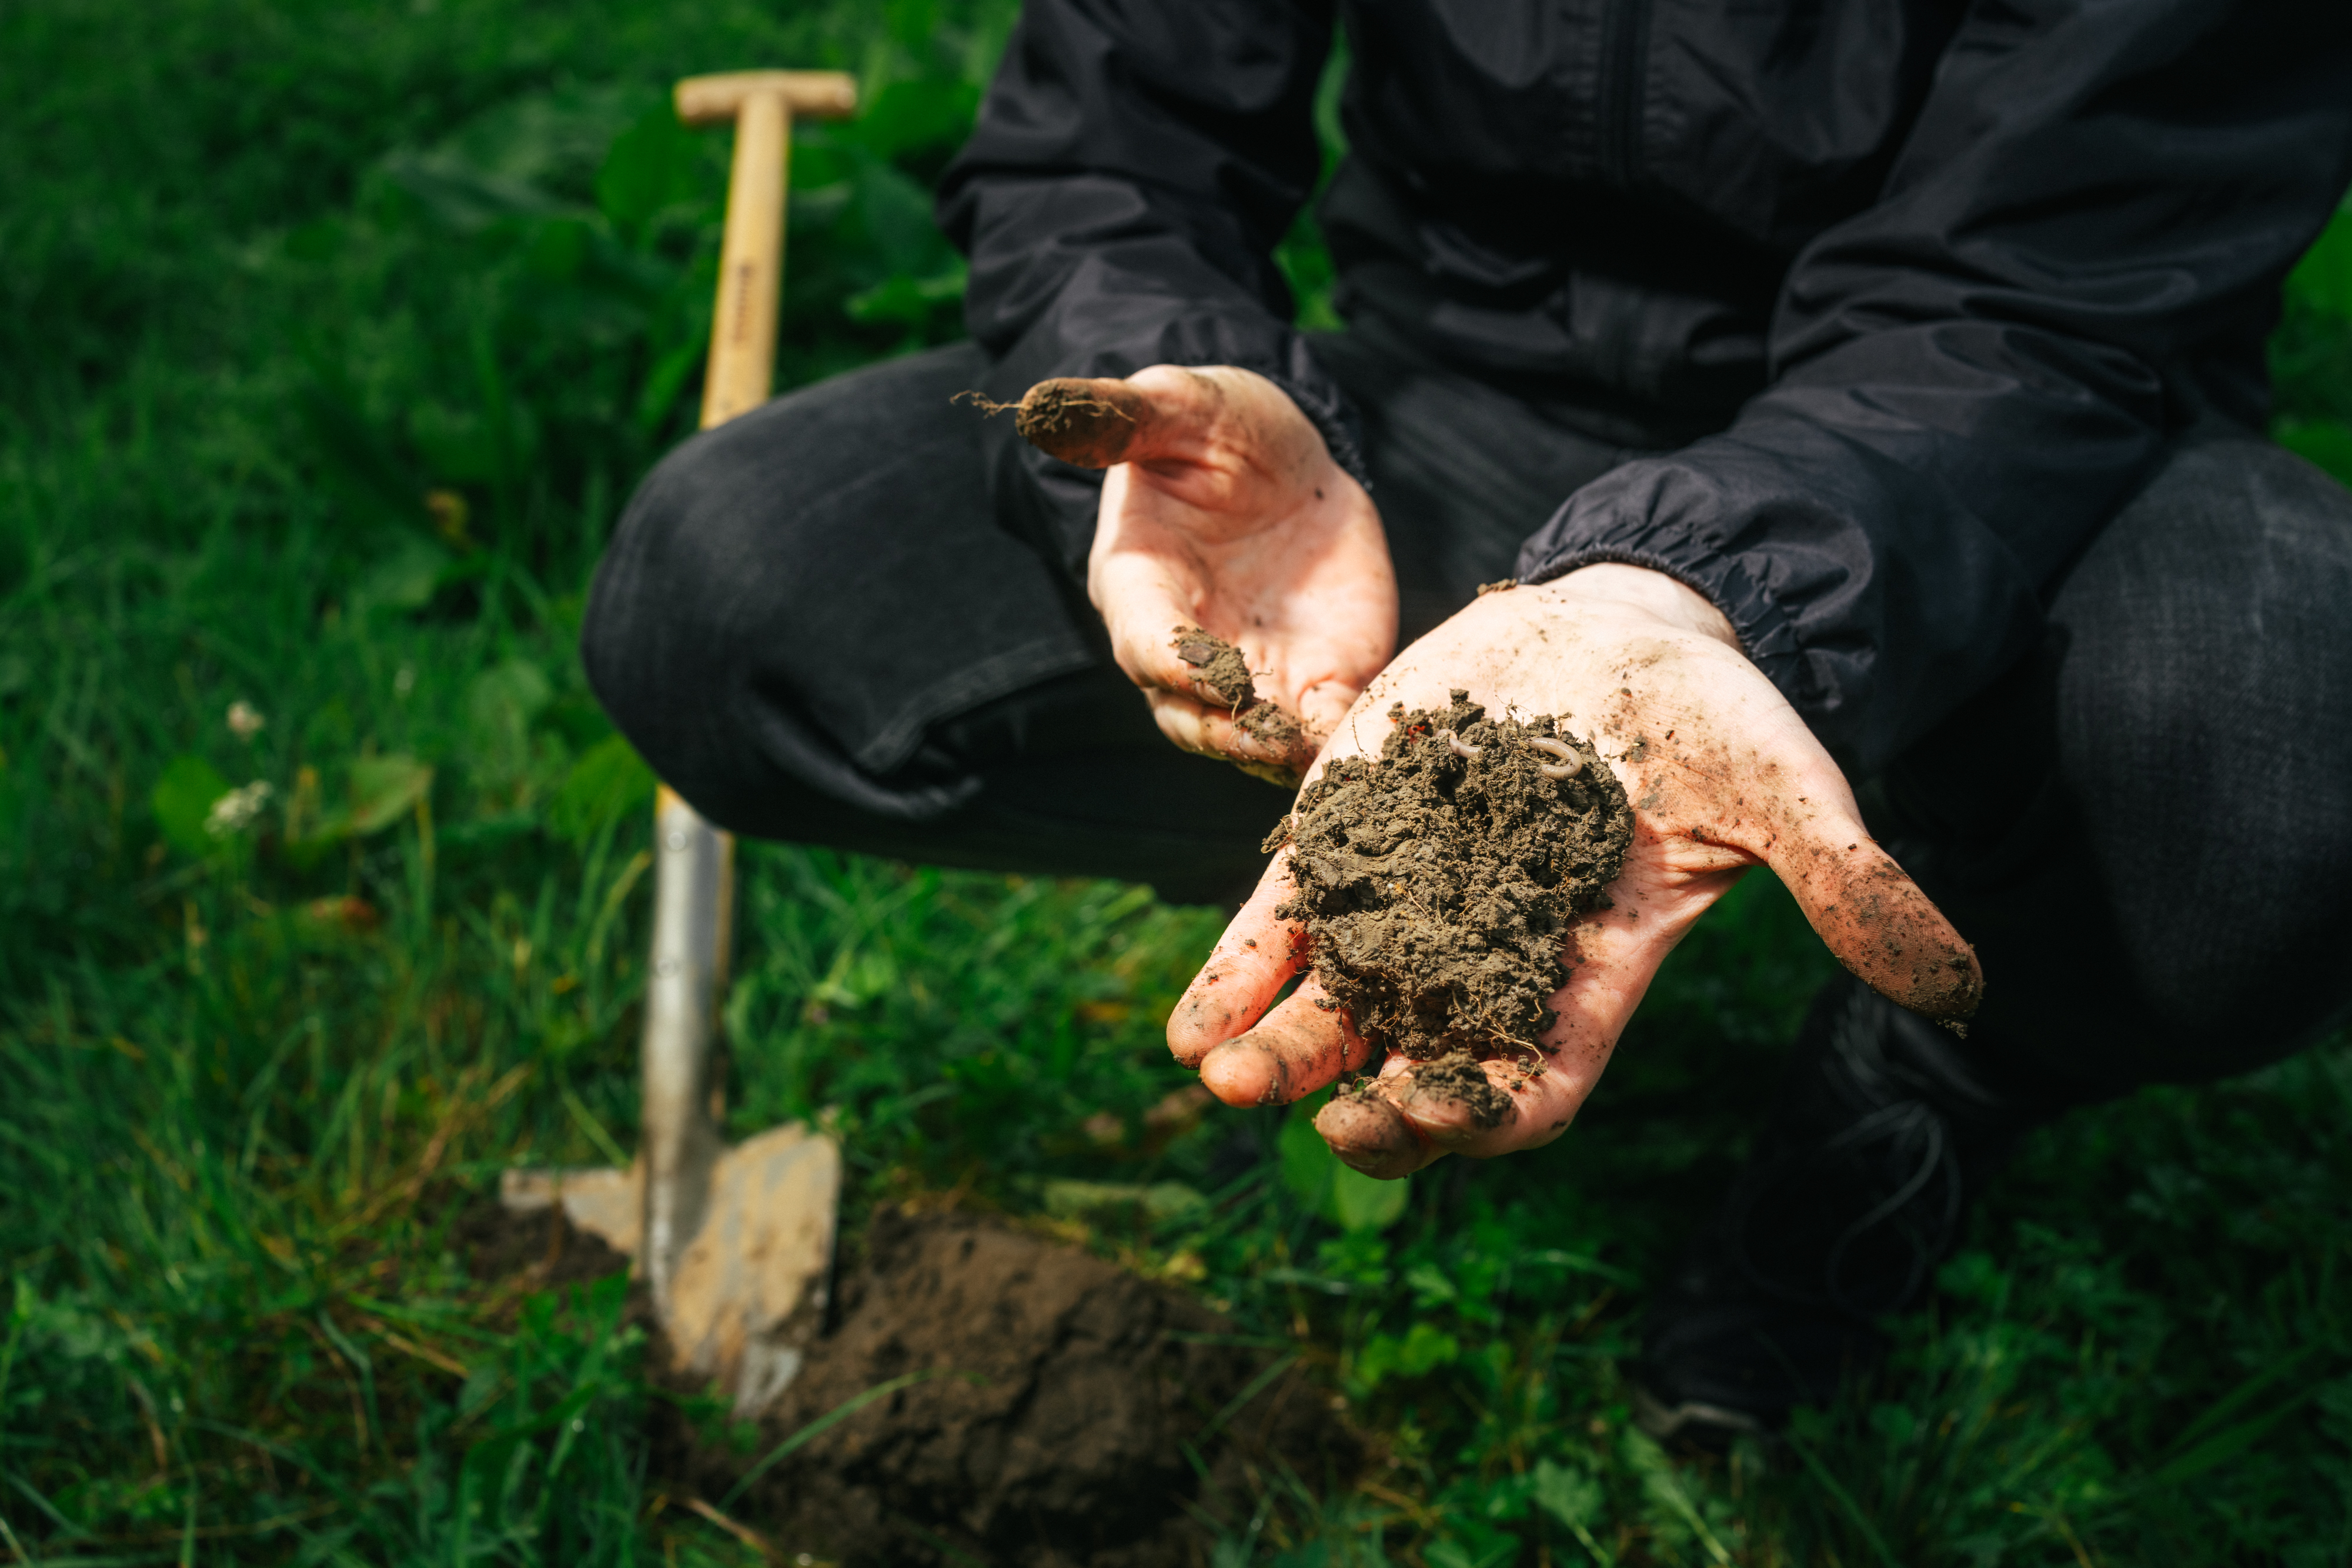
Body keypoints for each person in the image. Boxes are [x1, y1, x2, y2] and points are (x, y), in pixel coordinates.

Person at [584, 0, 2352, 1436]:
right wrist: (1192, 386)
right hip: (1461, 397)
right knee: (714, 592)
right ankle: (1349, 859)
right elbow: (1110, 124)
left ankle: (1914, 1091)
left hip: (2001, 452)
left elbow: (2042, 292)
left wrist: (1688, 584)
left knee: (2279, 756)